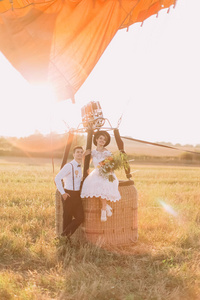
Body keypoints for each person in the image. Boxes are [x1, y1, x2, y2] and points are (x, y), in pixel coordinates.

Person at [81, 131, 121, 222]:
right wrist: (84, 155)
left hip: (106, 173)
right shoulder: (93, 152)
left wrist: (108, 171)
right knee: (92, 185)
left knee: (102, 185)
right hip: (96, 173)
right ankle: (106, 206)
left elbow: (111, 165)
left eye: (104, 139)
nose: (102, 141)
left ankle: (103, 209)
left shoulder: (107, 152)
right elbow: (86, 163)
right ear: (96, 140)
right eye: (100, 139)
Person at [55, 146, 84, 240]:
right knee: (67, 218)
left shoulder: (80, 166)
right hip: (68, 194)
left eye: (81, 152)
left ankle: (63, 236)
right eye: (77, 152)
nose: (79, 154)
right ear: (74, 154)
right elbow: (57, 178)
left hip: (77, 195)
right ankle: (65, 241)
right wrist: (63, 193)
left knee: (80, 217)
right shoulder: (69, 166)